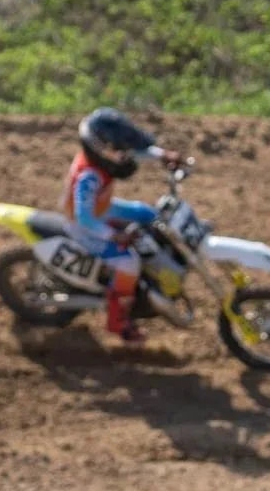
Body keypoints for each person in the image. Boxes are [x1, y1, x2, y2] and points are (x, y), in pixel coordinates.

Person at [62, 107, 181, 344]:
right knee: (128, 262)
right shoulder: (89, 176)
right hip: (84, 224)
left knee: (148, 214)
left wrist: (162, 155)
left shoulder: (104, 158)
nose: (125, 155)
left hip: (102, 208)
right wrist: (112, 236)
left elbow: (132, 152)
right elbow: (84, 217)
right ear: (103, 150)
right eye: (120, 151)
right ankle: (118, 322)